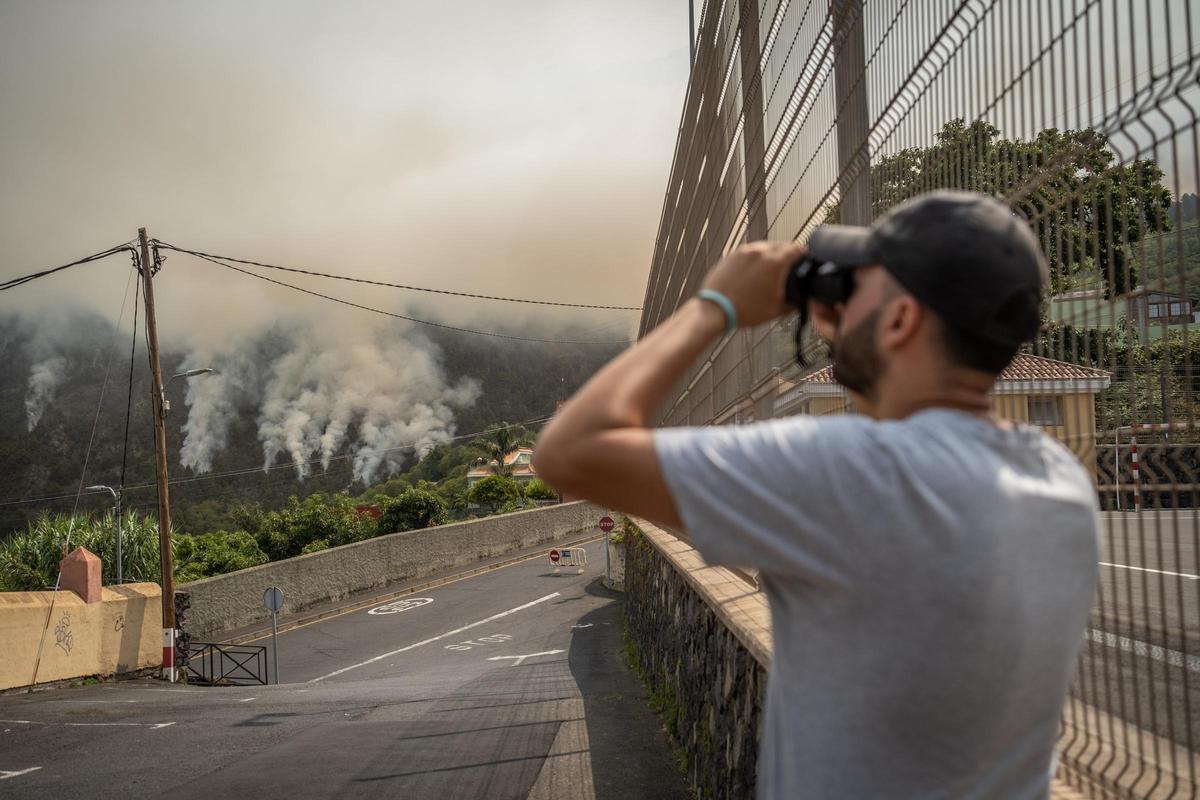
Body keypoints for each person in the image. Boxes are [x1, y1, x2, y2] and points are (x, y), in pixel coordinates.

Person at [533, 190, 1099, 799]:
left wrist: (715, 304)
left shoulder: (848, 474)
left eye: (860, 286)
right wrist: (860, 336)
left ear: (901, 320)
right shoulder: (1058, 481)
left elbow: (568, 453)